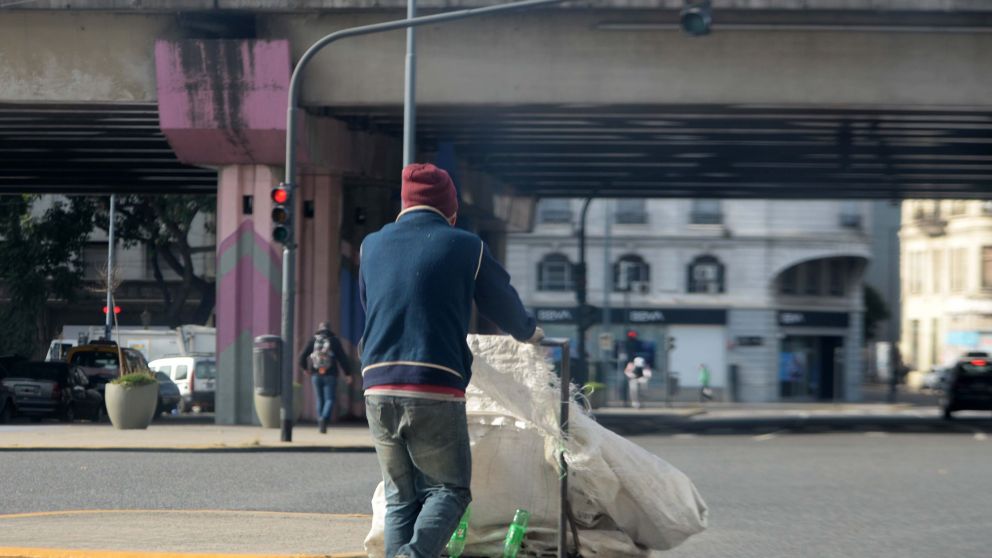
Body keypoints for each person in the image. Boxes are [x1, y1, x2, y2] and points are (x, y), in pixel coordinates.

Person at [360, 163, 543, 558]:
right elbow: (502, 302)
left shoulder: (370, 245)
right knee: (450, 491)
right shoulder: (466, 245)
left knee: (401, 498)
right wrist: (529, 332)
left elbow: (369, 306)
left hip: (376, 382)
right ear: (451, 210)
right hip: (433, 382)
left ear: (403, 206)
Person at [299, 321, 353, 434]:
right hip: (331, 374)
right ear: (329, 329)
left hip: (316, 374)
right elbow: (342, 358)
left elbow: (302, 356)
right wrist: (348, 374)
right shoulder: (334, 341)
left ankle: (320, 421)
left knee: (320, 399)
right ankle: (324, 418)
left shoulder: (313, 340)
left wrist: (305, 369)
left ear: (319, 329)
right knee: (329, 399)